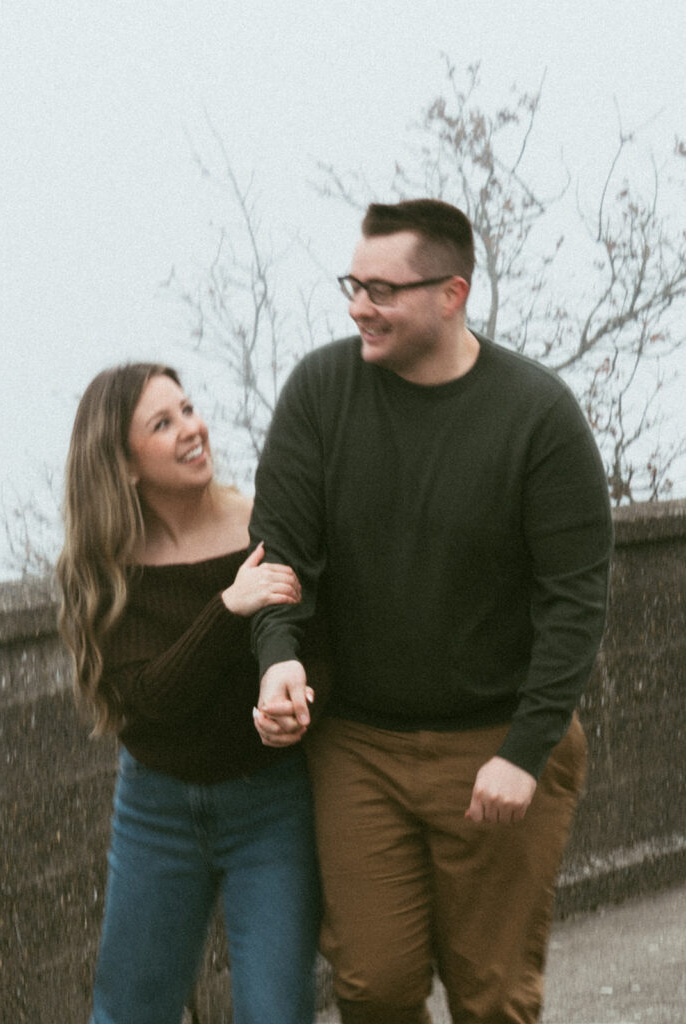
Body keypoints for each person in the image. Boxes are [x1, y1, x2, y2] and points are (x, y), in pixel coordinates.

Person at [249, 199, 614, 1024]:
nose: (357, 307)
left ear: (451, 294)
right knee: (371, 987)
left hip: (495, 739)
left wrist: (525, 751)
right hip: (359, 747)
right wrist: (278, 660)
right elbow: (279, 557)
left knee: (491, 998)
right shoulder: (320, 390)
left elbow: (574, 597)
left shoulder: (536, 414)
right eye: (352, 284)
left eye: (382, 289)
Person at [56, 362, 321, 1024]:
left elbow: (310, 646)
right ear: (122, 464)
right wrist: (226, 607)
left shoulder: (266, 526)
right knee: (128, 1013)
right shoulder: (102, 567)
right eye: (163, 422)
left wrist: (292, 703)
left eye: (189, 408)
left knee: (274, 1013)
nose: (192, 429)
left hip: (270, 805)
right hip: (156, 811)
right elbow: (148, 698)